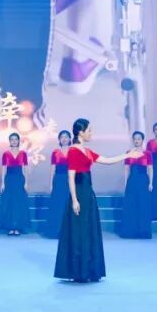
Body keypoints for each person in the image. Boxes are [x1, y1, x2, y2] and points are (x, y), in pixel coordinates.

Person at [54, 118, 134, 282]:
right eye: (89, 130)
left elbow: (107, 160)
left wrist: (127, 155)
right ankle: (79, 271)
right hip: (79, 194)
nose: (91, 133)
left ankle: (89, 269)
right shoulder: (73, 151)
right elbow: (71, 177)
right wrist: (74, 200)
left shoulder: (88, 151)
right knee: (79, 231)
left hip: (88, 194)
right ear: (80, 132)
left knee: (88, 230)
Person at [117, 131, 153, 239]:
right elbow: (126, 169)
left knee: (143, 204)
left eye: (139, 139)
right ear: (133, 140)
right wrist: (125, 184)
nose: (137, 141)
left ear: (142, 140)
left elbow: (150, 169)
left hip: (143, 181)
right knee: (131, 205)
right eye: (135, 139)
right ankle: (130, 231)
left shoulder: (147, 153)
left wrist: (151, 183)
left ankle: (143, 231)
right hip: (132, 180)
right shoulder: (128, 153)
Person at [0, 133, 32, 235]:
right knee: (9, 203)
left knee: (18, 203)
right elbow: (4, 169)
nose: (14, 141)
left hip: (19, 179)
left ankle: (17, 227)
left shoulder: (23, 154)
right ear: (9, 141)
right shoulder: (6, 154)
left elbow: (25, 169)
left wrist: (26, 182)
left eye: (15, 139)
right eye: (12, 139)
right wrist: (2, 183)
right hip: (9, 180)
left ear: (18, 141)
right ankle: (10, 227)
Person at [42, 130, 72, 239]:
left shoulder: (73, 152)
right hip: (58, 180)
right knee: (57, 205)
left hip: (70, 180)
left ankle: (68, 232)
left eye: (66, 137)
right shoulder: (55, 152)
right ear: (59, 139)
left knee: (68, 204)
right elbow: (53, 169)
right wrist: (51, 184)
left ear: (70, 139)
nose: (64, 139)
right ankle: (56, 230)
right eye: (62, 137)